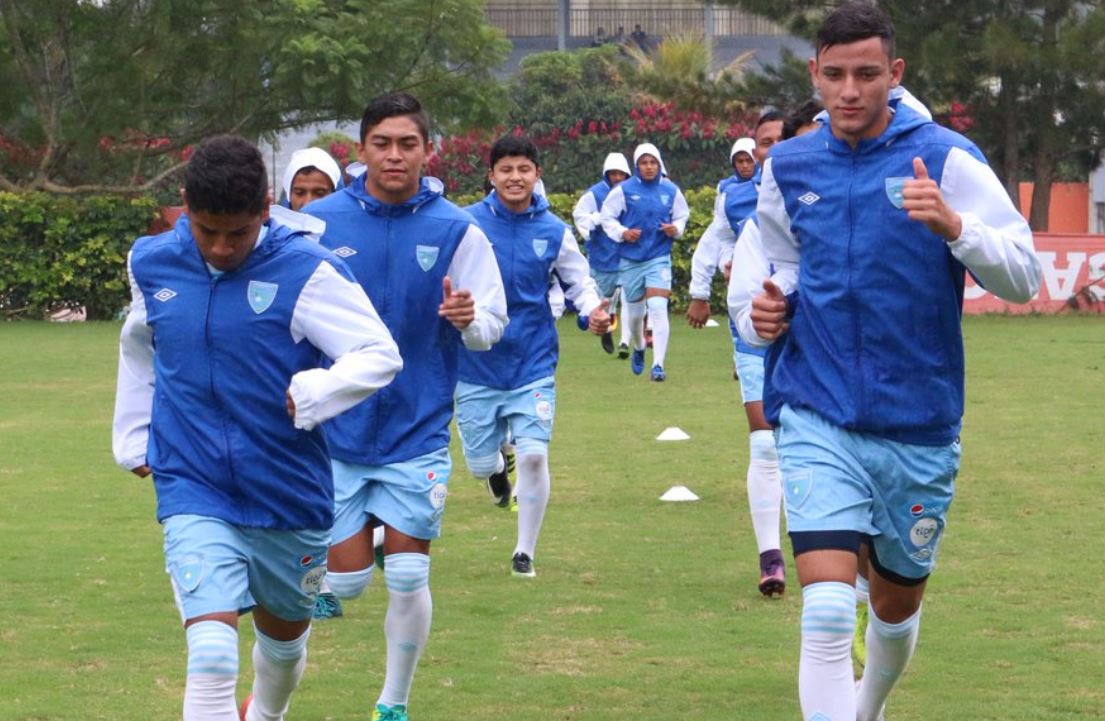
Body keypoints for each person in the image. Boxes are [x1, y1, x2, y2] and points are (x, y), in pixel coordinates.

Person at [740, 4, 1041, 720]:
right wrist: (765, 305)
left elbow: (1024, 277)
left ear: (893, 75)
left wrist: (955, 227)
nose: (849, 90)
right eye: (834, 74)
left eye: (866, 74)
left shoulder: (945, 157)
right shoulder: (789, 164)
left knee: (894, 607)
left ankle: (867, 703)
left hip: (917, 424)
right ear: (814, 74)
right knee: (822, 613)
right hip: (817, 409)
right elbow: (775, 260)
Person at [111, 134, 403, 721]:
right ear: (185, 206)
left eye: (237, 233)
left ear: (265, 210)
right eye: (205, 230)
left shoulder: (308, 272)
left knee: (283, 641)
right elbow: (139, 343)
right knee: (213, 653)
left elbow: (379, 352)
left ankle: (267, 713)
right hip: (192, 482)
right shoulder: (152, 262)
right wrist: (135, 432)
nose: (220, 248)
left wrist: (316, 390)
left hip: (287, 489)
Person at [304, 92, 507, 721]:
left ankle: (393, 703)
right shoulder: (318, 224)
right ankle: (340, 561)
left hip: (416, 430)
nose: (395, 155)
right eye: (382, 143)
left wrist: (469, 319)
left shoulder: (455, 228)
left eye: (408, 143)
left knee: (410, 577)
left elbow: (492, 324)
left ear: (428, 149)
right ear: (360, 150)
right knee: (343, 583)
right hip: (332, 435)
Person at [458, 135, 610, 577]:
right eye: (505, 169)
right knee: (479, 463)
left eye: (524, 169)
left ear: (537, 174)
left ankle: (524, 551)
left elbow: (579, 283)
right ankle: (494, 468)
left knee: (535, 456)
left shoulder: (553, 231)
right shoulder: (466, 225)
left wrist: (595, 311)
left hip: (533, 362)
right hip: (475, 365)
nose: (515, 177)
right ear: (491, 175)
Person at [599, 142, 689, 381]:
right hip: (630, 260)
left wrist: (676, 228)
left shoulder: (670, 190)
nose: (649, 167)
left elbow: (682, 215)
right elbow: (607, 217)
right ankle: (639, 347)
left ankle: (658, 365)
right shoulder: (624, 190)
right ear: (637, 165)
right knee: (636, 316)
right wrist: (622, 232)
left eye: (653, 162)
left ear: (659, 164)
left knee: (658, 308)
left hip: (659, 257)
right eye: (644, 163)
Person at [573, 152, 632, 356]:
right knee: (603, 296)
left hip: (627, 252)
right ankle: (599, 323)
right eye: (613, 173)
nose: (617, 178)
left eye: (621, 174)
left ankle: (625, 342)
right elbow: (579, 216)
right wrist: (597, 220)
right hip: (602, 253)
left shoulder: (631, 191)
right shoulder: (594, 194)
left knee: (627, 294)